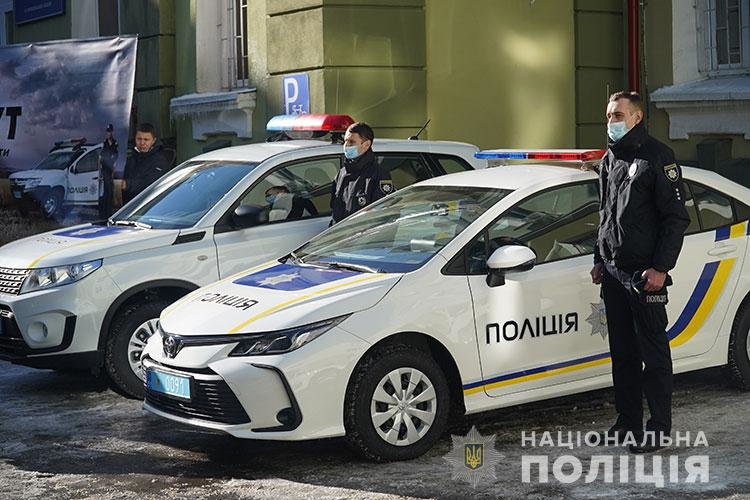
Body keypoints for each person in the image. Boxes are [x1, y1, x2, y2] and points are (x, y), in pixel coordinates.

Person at [591, 91, 691, 453]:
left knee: (654, 354)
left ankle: (658, 430)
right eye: (607, 116)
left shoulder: (658, 157)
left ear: (636, 117)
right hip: (615, 275)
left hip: (645, 276)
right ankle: (627, 423)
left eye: (617, 115)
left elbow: (676, 218)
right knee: (623, 354)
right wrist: (599, 259)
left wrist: (661, 268)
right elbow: (604, 214)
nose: (611, 122)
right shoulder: (609, 159)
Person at [330, 122, 394, 224]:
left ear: (366, 145)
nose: (346, 145)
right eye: (345, 141)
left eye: (351, 142)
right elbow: (336, 211)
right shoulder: (342, 173)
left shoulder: (378, 175)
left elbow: (381, 217)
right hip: (341, 236)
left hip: (363, 237)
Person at [122, 123, 171, 204]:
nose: (142, 143)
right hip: (128, 207)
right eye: (139, 139)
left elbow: (149, 184)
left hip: (149, 207)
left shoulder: (160, 161)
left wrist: (126, 184)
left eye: (146, 139)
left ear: (153, 141)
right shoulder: (130, 159)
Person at [99, 124, 118, 216]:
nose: (108, 133)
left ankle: (109, 211)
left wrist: (114, 163)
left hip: (111, 168)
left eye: (109, 131)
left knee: (110, 190)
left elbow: (116, 154)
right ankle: (104, 212)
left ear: (112, 132)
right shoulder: (104, 143)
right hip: (104, 168)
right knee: (106, 191)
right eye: (107, 131)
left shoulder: (114, 142)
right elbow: (101, 155)